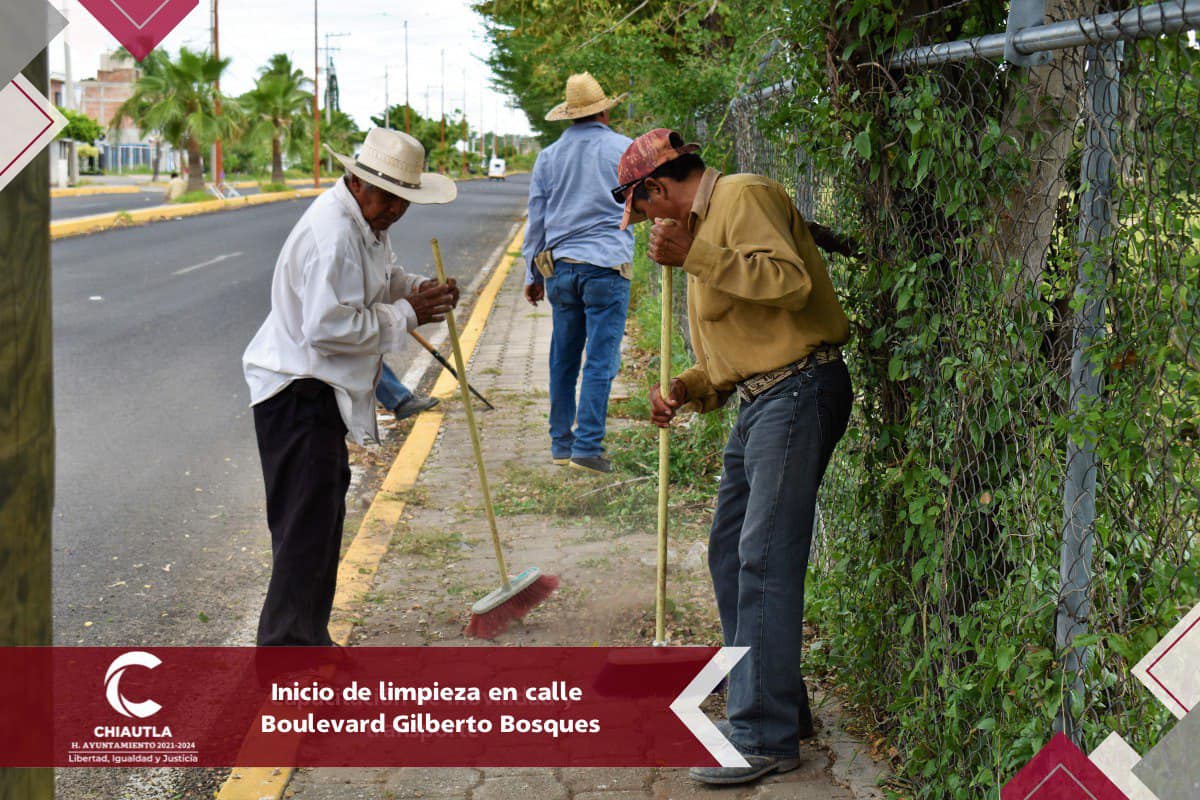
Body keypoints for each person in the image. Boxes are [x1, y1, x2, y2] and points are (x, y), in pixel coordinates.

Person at [615, 129, 853, 785]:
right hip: (760, 401)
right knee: (731, 551)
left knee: (764, 557)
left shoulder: (742, 197)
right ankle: (777, 704)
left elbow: (792, 284)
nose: (644, 224)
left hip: (800, 390)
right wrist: (687, 388)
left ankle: (763, 737)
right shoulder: (702, 231)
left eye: (642, 208)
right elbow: (741, 346)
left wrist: (697, 254)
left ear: (659, 188)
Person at [242, 128, 459, 647]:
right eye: (385, 198)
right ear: (357, 181)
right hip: (296, 390)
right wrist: (407, 314)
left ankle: (309, 638)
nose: (393, 211)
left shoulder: (365, 222)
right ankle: (286, 657)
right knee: (303, 529)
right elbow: (327, 326)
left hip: (317, 390)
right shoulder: (334, 232)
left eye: (401, 201)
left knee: (320, 522)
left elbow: (378, 279)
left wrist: (415, 290)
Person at [522, 72, 634, 474]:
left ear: (570, 115)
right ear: (604, 110)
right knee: (600, 361)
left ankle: (560, 444)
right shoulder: (624, 151)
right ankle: (588, 447)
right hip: (606, 267)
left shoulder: (548, 157)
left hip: (561, 269)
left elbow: (536, 220)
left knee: (563, 358)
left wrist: (531, 275)